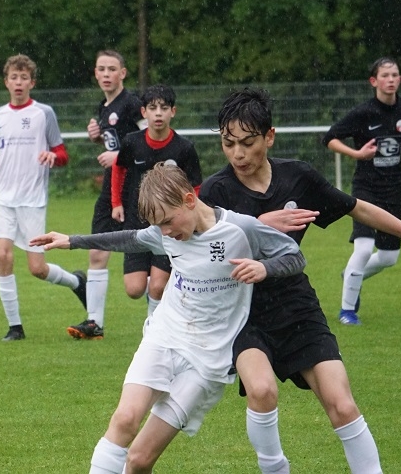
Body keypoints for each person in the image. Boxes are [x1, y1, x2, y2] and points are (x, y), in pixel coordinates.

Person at [199, 88, 401, 474]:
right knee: (262, 390)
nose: (237, 154)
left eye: (247, 143)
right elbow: (204, 258)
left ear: (269, 137)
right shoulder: (216, 191)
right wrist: (258, 225)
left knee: (342, 403)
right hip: (243, 312)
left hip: (295, 306)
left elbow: (359, 209)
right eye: (228, 144)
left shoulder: (298, 177)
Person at [30, 164, 306, 474]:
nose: (164, 233)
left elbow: (294, 257)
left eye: (167, 222)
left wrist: (265, 268)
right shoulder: (164, 234)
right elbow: (129, 238)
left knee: (139, 461)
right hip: (165, 337)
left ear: (189, 200)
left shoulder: (241, 229)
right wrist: (73, 240)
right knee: (125, 419)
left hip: (208, 360)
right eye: (157, 226)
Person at [0, 54, 85, 341]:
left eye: (24, 78)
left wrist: (53, 157)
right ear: (6, 82)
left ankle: (76, 282)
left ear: (32, 83)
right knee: (2, 255)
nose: (18, 82)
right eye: (14, 77)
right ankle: (15, 327)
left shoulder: (44, 113)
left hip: (32, 200)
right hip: (3, 198)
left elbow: (62, 154)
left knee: (37, 269)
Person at [75, 84, 201, 339]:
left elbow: (195, 185)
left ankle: (155, 331)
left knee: (157, 286)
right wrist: (116, 203)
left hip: (169, 226)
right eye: (152, 108)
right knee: (134, 289)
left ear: (173, 112)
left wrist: (191, 215)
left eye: (164, 108)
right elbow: (118, 169)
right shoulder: (133, 142)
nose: (158, 113)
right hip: (137, 222)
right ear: (144, 112)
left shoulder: (184, 148)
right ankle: (165, 306)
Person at [321, 57, 401, 325]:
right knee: (364, 248)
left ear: (400, 79)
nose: (391, 79)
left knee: (389, 258)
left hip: (394, 191)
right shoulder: (363, 113)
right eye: (385, 75)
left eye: (395, 75)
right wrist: (357, 153)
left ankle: (351, 275)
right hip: (366, 189)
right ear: (374, 81)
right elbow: (330, 138)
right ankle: (347, 311)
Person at [69, 50, 145, 340]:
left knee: (149, 256)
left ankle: (164, 320)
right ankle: (94, 323)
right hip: (111, 187)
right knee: (97, 249)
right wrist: (98, 138)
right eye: (101, 69)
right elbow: (115, 141)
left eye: (112, 69)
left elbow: (152, 140)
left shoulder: (133, 104)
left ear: (123, 73)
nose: (106, 74)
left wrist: (119, 156)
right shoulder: (104, 106)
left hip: (136, 186)